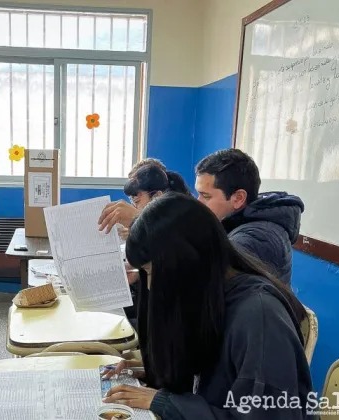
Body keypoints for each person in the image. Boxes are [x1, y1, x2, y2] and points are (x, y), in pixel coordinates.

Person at [102, 193, 315, 419]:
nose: (151, 285)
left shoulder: (259, 318)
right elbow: (206, 377)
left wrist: (165, 402)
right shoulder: (208, 297)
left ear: (188, 261)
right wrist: (148, 372)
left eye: (153, 272)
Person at [195, 149, 304, 286]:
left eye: (206, 196)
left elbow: (204, 285)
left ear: (239, 198)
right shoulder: (237, 222)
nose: (198, 202)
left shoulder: (255, 239)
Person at [101, 163, 191, 327]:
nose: (134, 205)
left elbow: (176, 260)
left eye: (137, 199)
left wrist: (139, 223)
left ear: (157, 195)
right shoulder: (164, 222)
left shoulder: (181, 220)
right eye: (132, 200)